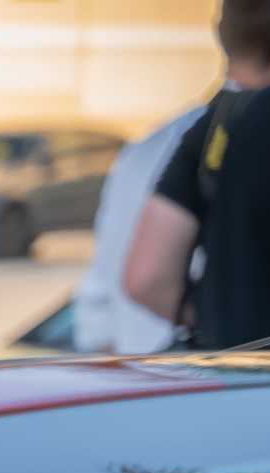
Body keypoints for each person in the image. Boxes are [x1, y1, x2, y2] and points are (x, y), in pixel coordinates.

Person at [123, 0, 270, 350]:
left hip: (238, 379)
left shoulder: (220, 123)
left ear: (221, 33)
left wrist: (224, 319)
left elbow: (146, 277)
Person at [75, 102, 209, 353]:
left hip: (146, 373)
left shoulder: (150, 144)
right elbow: (147, 281)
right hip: (234, 374)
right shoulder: (238, 131)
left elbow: (98, 306)